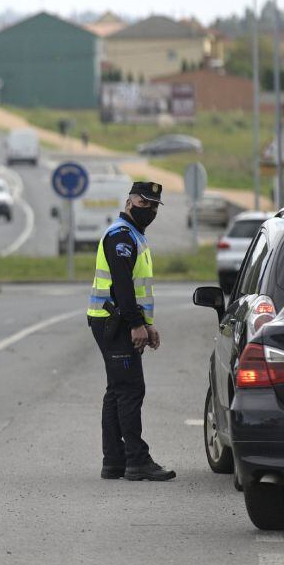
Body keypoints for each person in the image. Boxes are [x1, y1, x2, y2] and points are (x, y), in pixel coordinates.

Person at [87, 182, 176, 482]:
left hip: (116, 320)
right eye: (145, 202)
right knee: (129, 389)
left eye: (154, 206)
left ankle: (114, 461)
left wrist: (146, 323)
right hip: (116, 322)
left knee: (117, 389)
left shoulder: (134, 236)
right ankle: (137, 460)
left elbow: (136, 289)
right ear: (130, 202)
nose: (150, 210)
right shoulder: (121, 237)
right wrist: (137, 324)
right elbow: (123, 286)